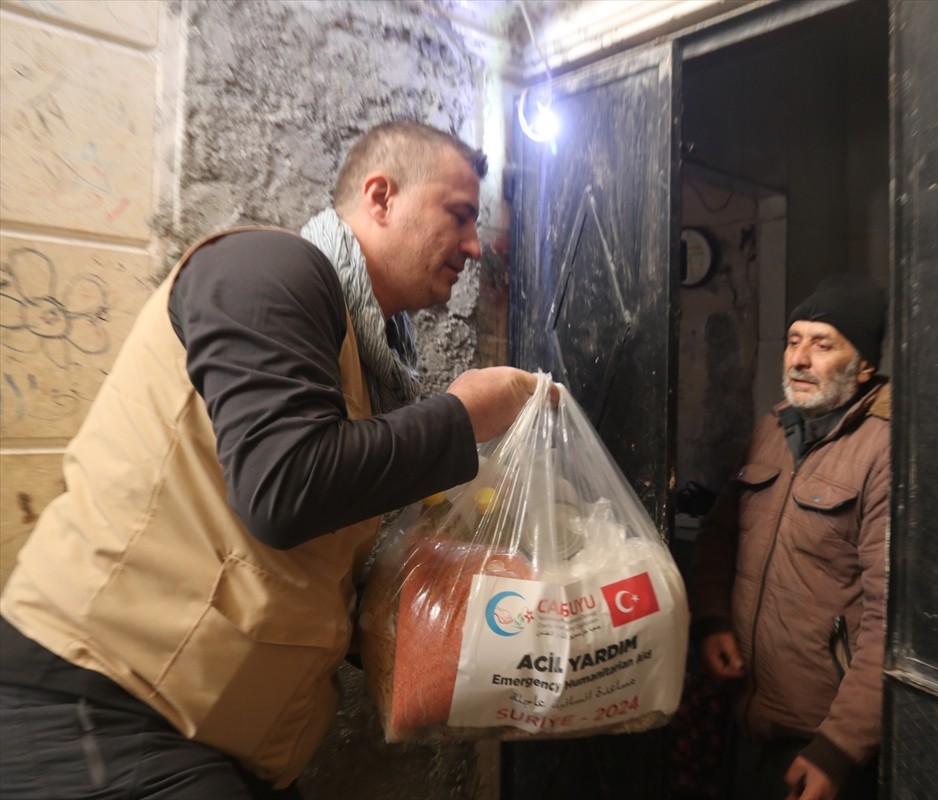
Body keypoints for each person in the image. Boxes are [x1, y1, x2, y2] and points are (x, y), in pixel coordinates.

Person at [0, 120, 545, 799]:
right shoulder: (267, 269)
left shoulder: (366, 362)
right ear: (380, 197)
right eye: (459, 215)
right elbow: (285, 488)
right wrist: (464, 414)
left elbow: (303, 557)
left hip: (215, 735)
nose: (473, 246)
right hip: (106, 704)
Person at [688, 274, 890, 800]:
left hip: (819, 745)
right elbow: (718, 539)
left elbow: (891, 618)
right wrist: (711, 620)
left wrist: (839, 748)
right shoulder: (773, 428)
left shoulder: (884, 451)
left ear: (864, 365)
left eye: (822, 345)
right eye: (794, 341)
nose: (799, 359)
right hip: (747, 717)